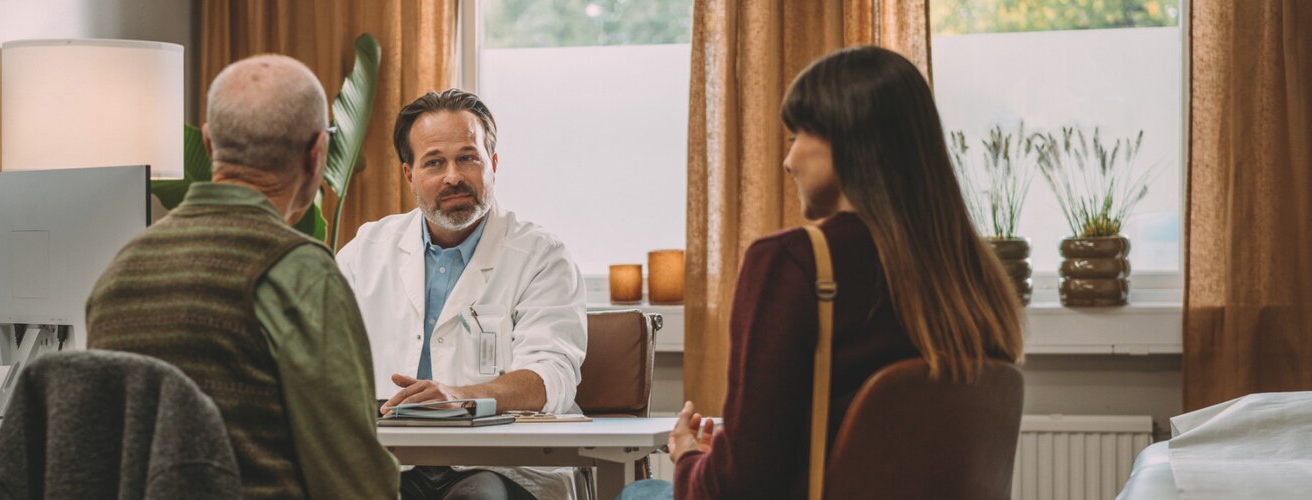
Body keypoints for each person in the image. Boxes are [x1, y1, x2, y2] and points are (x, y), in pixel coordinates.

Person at [626, 45, 1026, 499]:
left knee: (638, 494)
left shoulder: (793, 262)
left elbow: (737, 490)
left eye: (797, 136)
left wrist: (689, 457)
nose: (788, 160)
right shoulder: (975, 280)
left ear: (846, 140)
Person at [86, 54, 399, 499]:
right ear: (316, 154)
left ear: (210, 145)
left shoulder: (120, 270)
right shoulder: (299, 271)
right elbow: (353, 479)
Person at [335, 89, 588, 500]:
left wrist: (459, 397)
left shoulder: (542, 256)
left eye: (468, 157)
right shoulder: (366, 250)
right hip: (388, 460)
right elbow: (320, 360)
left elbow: (550, 377)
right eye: (434, 162)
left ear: (494, 164)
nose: (453, 175)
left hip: (498, 465)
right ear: (409, 174)